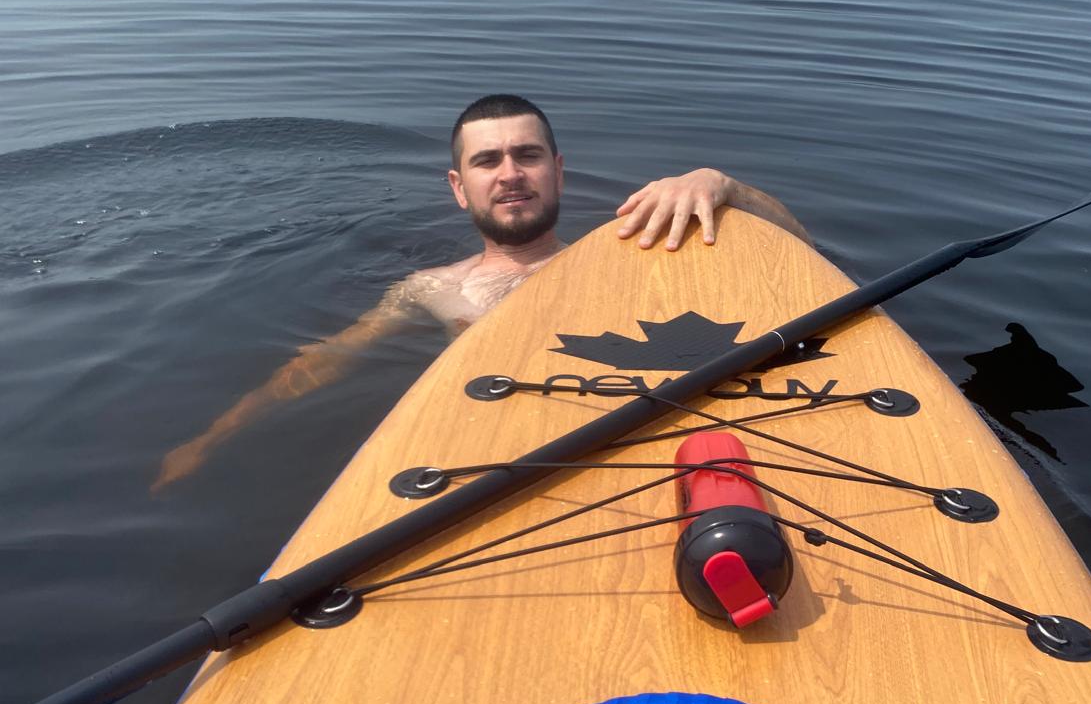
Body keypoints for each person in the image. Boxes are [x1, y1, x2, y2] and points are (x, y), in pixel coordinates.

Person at [152, 94, 807, 490]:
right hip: (495, 457)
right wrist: (210, 439)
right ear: (459, 187)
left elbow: (798, 255)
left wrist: (723, 187)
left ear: (558, 172)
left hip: (638, 439)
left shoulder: (633, 248)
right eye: (487, 161)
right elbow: (320, 362)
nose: (509, 174)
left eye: (526, 156)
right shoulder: (430, 289)